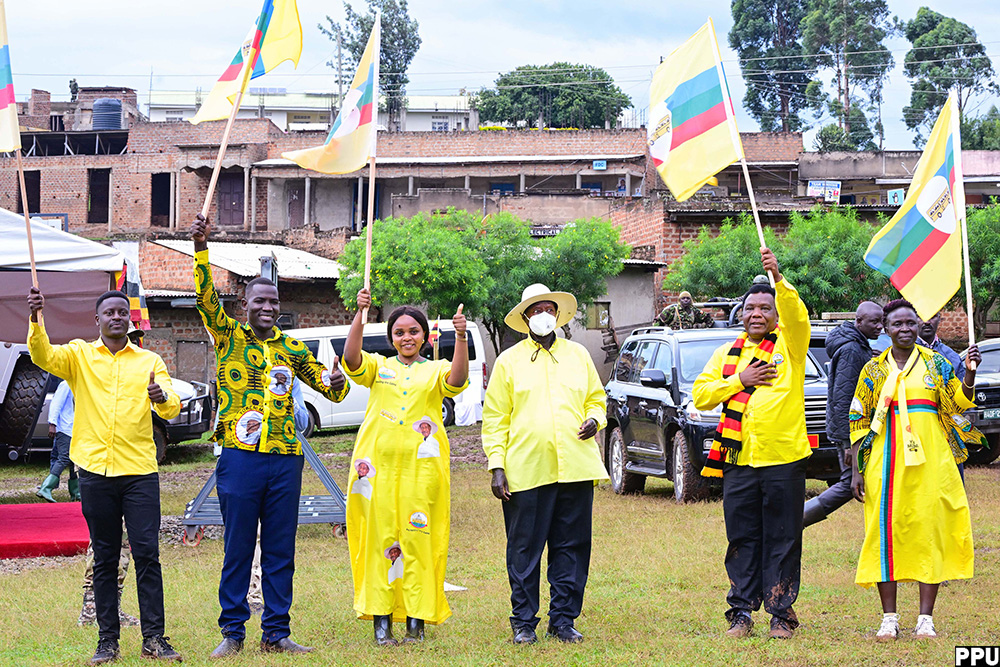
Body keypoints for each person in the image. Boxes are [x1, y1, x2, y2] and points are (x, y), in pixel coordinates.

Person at [189, 214, 349, 658]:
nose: (267, 307)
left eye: (273, 301)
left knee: (281, 548)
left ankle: (277, 632)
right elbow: (204, 298)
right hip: (239, 457)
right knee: (238, 546)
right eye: (259, 300)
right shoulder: (227, 336)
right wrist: (202, 248)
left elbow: (327, 383)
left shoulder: (292, 348)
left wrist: (337, 381)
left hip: (284, 458)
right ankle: (233, 633)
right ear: (245, 306)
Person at [27, 287, 183, 664]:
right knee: (105, 557)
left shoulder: (149, 360)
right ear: (96, 320)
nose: (116, 317)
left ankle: (154, 640)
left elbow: (174, 409)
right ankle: (107, 642)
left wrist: (160, 396)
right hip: (95, 471)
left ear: (129, 320)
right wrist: (36, 318)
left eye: (121, 312)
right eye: (108, 312)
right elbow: (43, 355)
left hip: (140, 473)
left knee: (147, 553)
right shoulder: (79, 356)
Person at [692, 249, 811, 640]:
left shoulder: (791, 346)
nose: (757, 314)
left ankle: (781, 614)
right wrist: (740, 380)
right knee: (742, 537)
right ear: (741, 314)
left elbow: (798, 315)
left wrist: (778, 278)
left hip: (783, 459)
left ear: (775, 316)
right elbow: (702, 395)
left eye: (765, 308)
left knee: (783, 536)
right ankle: (740, 613)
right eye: (750, 308)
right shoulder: (726, 354)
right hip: (737, 459)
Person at [482, 284, 608, 645]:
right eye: (535, 310)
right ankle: (523, 621)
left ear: (558, 314)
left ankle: (563, 619)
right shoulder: (509, 362)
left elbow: (596, 399)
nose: (542, 315)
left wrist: (595, 419)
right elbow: (495, 419)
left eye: (548, 309)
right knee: (524, 549)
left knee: (572, 546)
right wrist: (497, 466)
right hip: (526, 470)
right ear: (525, 318)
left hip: (577, 469)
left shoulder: (579, 355)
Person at [342, 288, 468, 646]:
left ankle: (416, 621)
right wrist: (359, 314)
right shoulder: (379, 368)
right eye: (399, 332)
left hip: (422, 474)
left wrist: (460, 337)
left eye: (413, 331)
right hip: (376, 472)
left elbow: (457, 381)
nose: (406, 337)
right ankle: (381, 623)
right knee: (381, 541)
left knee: (418, 542)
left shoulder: (436, 370)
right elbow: (351, 360)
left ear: (424, 336)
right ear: (391, 338)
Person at [849, 299, 979, 640]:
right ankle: (888, 618)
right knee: (884, 533)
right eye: (897, 324)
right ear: (886, 329)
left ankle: (925, 618)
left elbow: (957, 404)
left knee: (929, 531)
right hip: (884, 461)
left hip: (931, 461)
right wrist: (856, 470)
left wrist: (970, 372)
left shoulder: (937, 364)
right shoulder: (874, 370)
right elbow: (857, 419)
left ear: (919, 326)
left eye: (910, 323)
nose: (905, 329)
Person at [803, 302, 883, 527]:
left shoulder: (858, 345)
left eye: (881, 322)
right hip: (850, 433)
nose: (880, 327)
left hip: (854, 431)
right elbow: (843, 398)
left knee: (862, 480)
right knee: (851, 481)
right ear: (859, 322)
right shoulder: (851, 350)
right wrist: (849, 443)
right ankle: (798, 518)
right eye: (874, 322)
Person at [246, 378, 312, 617]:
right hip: (245, 460)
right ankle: (248, 596)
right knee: (245, 536)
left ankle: (274, 618)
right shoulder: (242, 368)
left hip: (281, 460)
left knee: (277, 539)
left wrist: (285, 395)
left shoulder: (289, 379)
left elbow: (302, 423)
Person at [36, 378, 78, 502]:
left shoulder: (77, 384)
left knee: (74, 461)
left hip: (74, 428)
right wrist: (52, 424)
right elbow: (56, 404)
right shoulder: (66, 384)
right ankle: (46, 488)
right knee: (64, 457)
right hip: (65, 428)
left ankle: (76, 494)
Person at [918, 311, 965, 381]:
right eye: (921, 316)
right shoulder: (902, 355)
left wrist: (970, 373)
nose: (927, 322)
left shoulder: (952, 358)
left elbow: (961, 390)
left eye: (932, 317)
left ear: (939, 319)